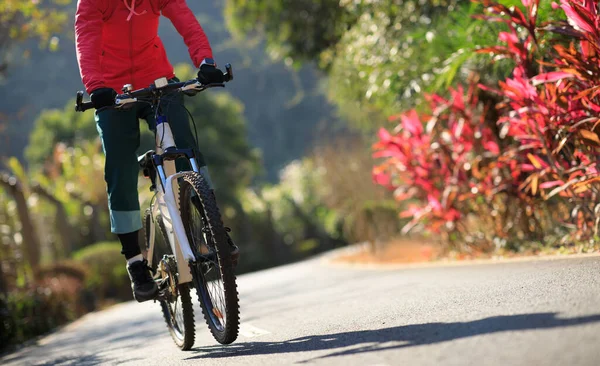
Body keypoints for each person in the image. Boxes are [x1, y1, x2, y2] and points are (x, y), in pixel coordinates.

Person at [74, 0, 239, 302]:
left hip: (157, 80)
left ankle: (213, 227)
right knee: (120, 167)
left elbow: (185, 21)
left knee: (186, 146)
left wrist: (205, 62)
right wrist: (95, 85)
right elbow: (86, 38)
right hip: (111, 94)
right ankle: (135, 263)